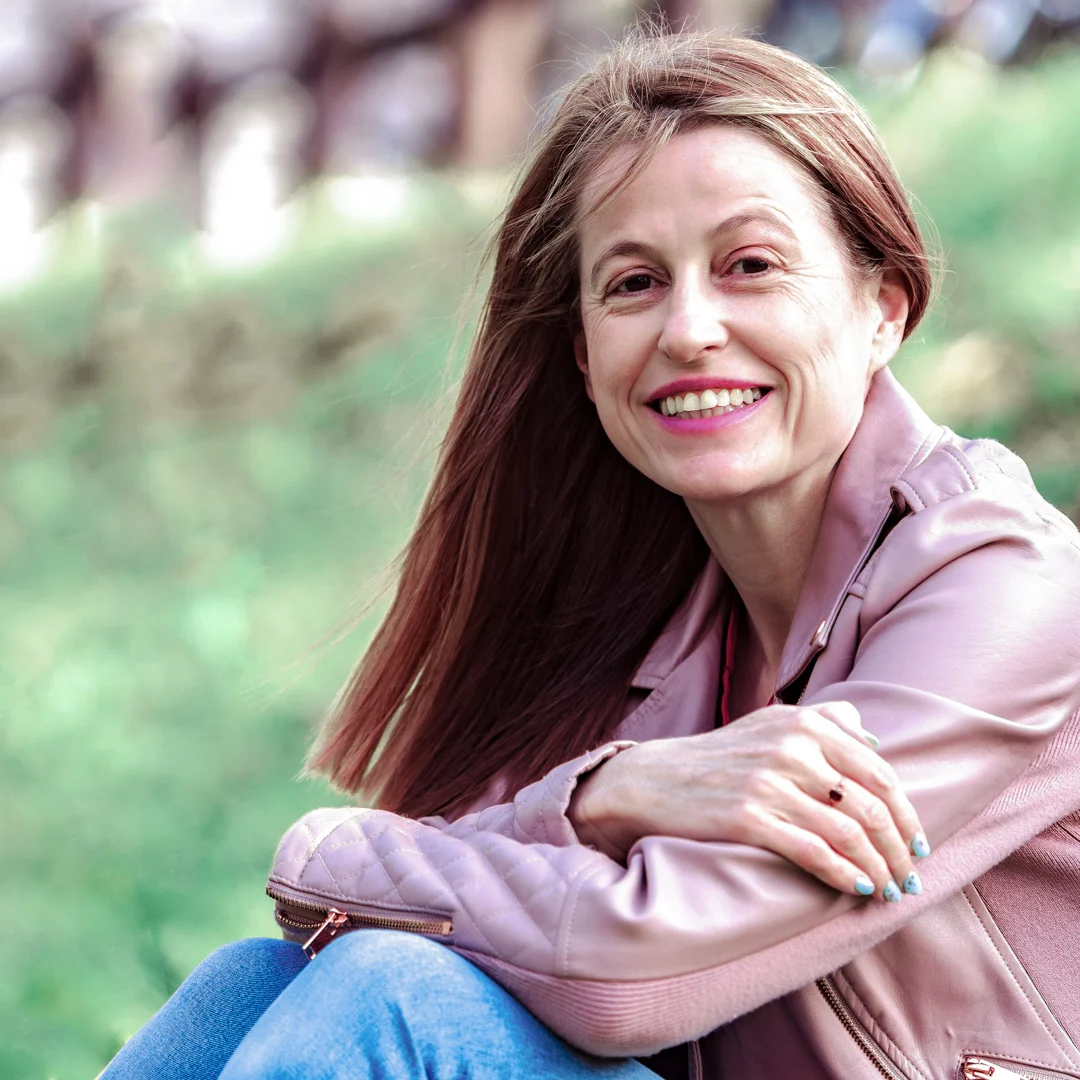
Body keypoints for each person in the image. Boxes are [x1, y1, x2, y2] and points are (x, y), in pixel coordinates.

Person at [102, 29, 1080, 1080]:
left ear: (881, 305)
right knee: (252, 983)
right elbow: (458, 900)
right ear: (583, 351)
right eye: (632, 285)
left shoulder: (1002, 588)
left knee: (394, 993)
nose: (690, 329)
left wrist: (320, 856)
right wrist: (609, 792)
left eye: (751, 266)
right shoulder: (646, 629)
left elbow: (628, 977)